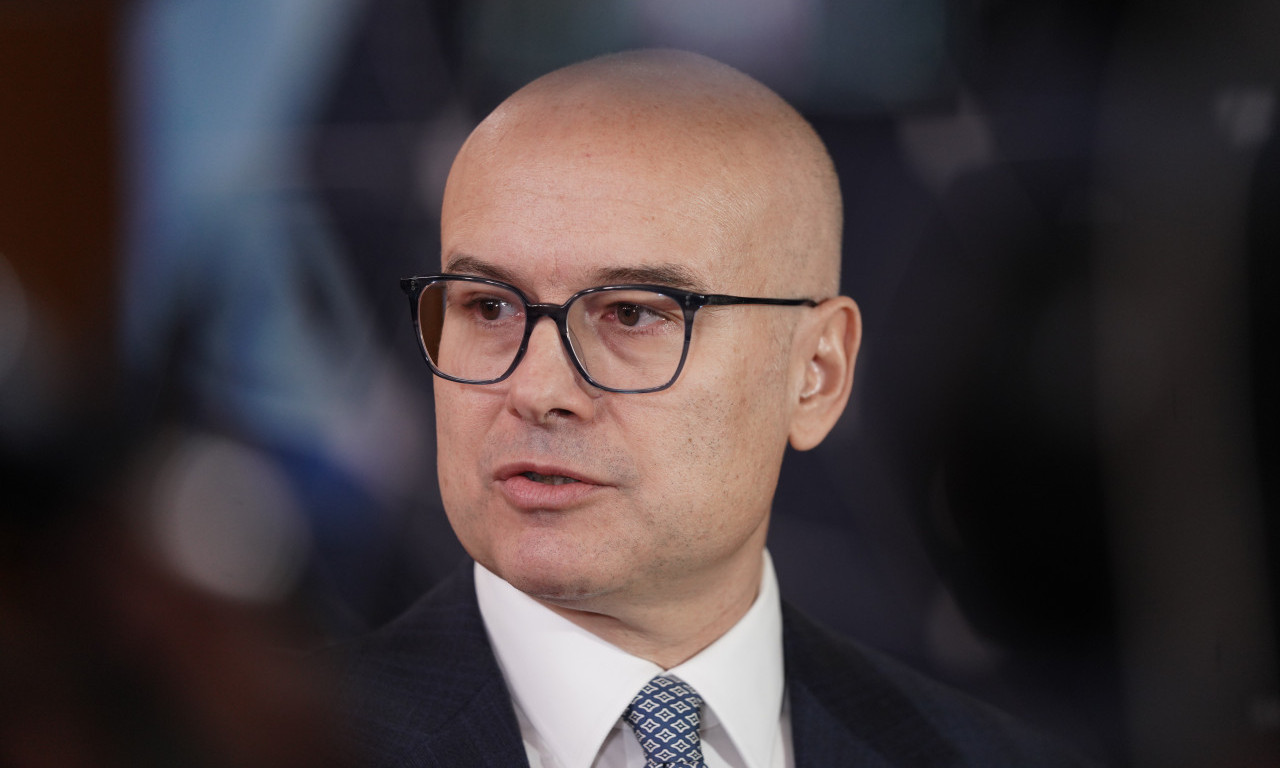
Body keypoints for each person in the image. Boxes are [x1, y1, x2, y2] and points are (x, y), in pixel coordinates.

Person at [336, 49, 1094, 767]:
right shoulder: (289, 741)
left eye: (632, 314)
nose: (537, 392)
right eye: (490, 307)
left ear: (817, 373)